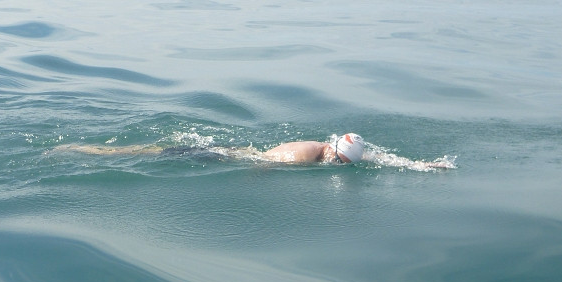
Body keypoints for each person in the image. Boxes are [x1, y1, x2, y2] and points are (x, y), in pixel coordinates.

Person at [57, 132, 368, 164]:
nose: (336, 165)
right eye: (339, 162)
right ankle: (80, 150)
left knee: (151, 150)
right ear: (333, 151)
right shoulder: (302, 157)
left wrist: (416, 166)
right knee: (143, 154)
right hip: (219, 157)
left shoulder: (328, 147)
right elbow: (265, 165)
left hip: (232, 150)